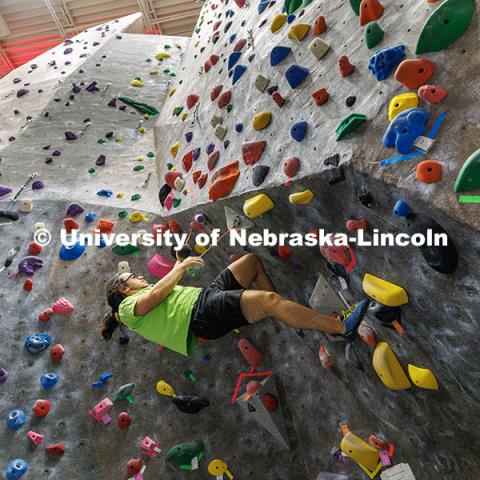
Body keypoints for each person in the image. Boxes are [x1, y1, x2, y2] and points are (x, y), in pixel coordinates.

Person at [101, 253, 369, 357]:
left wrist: (177, 267)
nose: (138, 277)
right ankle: (338, 326)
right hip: (201, 314)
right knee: (268, 301)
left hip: (205, 299)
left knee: (250, 262)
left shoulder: (139, 298)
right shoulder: (126, 309)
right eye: (132, 278)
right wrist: (179, 267)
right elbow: (157, 295)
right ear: (123, 289)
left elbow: (160, 295)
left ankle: (285, 311)